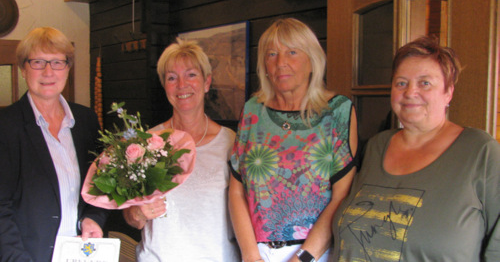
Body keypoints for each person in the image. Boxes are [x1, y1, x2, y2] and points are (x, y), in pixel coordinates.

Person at [332, 36, 500, 261]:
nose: (410, 92)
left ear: (448, 92)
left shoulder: (481, 151)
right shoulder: (376, 146)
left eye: (425, 83)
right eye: (401, 83)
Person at [229, 18, 358, 262]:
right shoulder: (252, 111)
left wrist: (304, 258)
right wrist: (250, 256)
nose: (281, 63)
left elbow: (343, 195)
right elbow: (237, 189)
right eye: (272, 54)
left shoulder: (338, 112)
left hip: (315, 254)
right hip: (257, 252)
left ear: (312, 60)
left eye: (292, 52)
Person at [123, 38, 240, 261]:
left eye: (191, 75)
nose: (181, 85)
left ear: (207, 83)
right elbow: (130, 215)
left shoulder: (230, 143)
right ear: (165, 86)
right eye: (172, 78)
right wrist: (138, 212)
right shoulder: (146, 143)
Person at [0, 27, 108, 262]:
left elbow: (103, 184)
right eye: (38, 62)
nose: (48, 71)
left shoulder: (86, 120)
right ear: (23, 69)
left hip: (82, 252)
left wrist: (93, 218)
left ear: (68, 68)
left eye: (58, 62)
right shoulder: (6, 126)